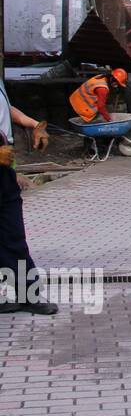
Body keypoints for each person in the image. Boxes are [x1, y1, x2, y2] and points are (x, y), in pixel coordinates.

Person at [0, 81, 55, 315]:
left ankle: (27, 295)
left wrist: (34, 125)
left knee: (12, 235)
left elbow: (6, 109)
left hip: (4, 172)